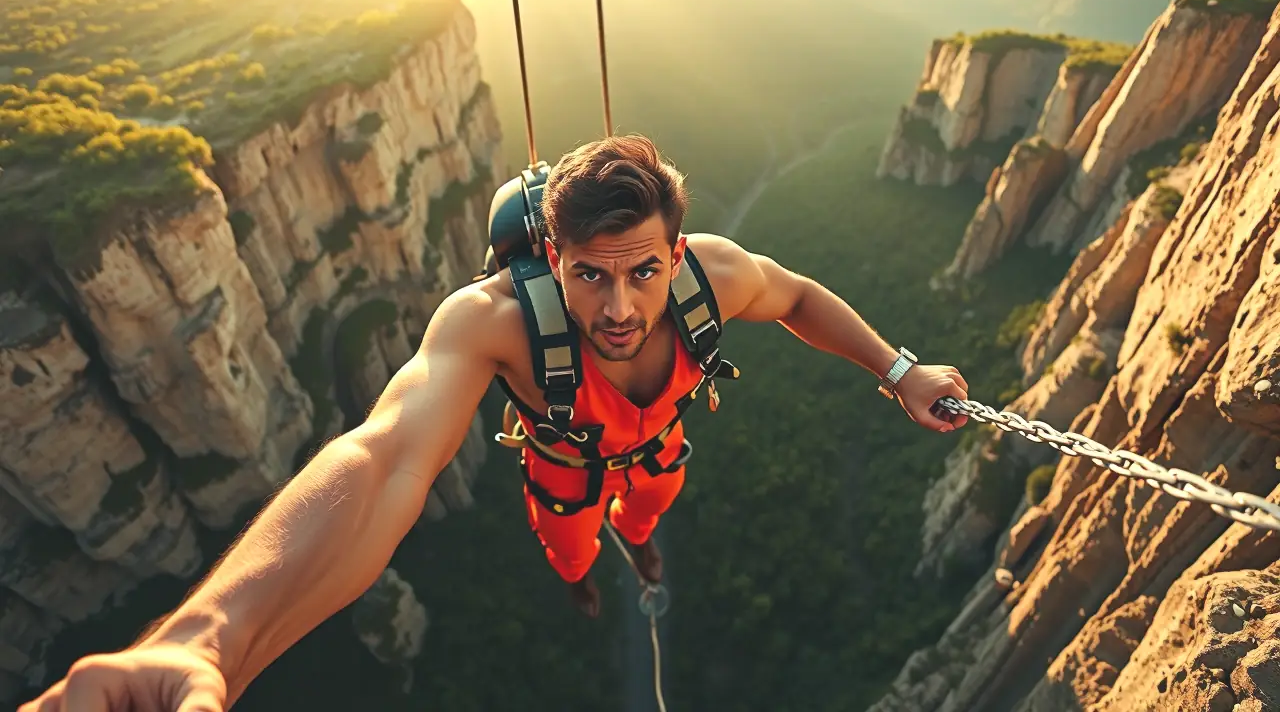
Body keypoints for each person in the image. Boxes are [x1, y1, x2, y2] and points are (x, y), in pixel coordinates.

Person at [20, 134, 969, 711]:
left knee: (647, 515)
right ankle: (587, 573)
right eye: (588, 274)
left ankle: (633, 550)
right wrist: (207, 635)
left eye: (643, 271)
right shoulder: (490, 324)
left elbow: (797, 295)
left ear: (675, 251)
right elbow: (386, 455)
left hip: (661, 447)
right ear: (553, 255)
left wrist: (899, 370)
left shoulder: (714, 275)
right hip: (563, 471)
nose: (620, 308)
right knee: (568, 545)